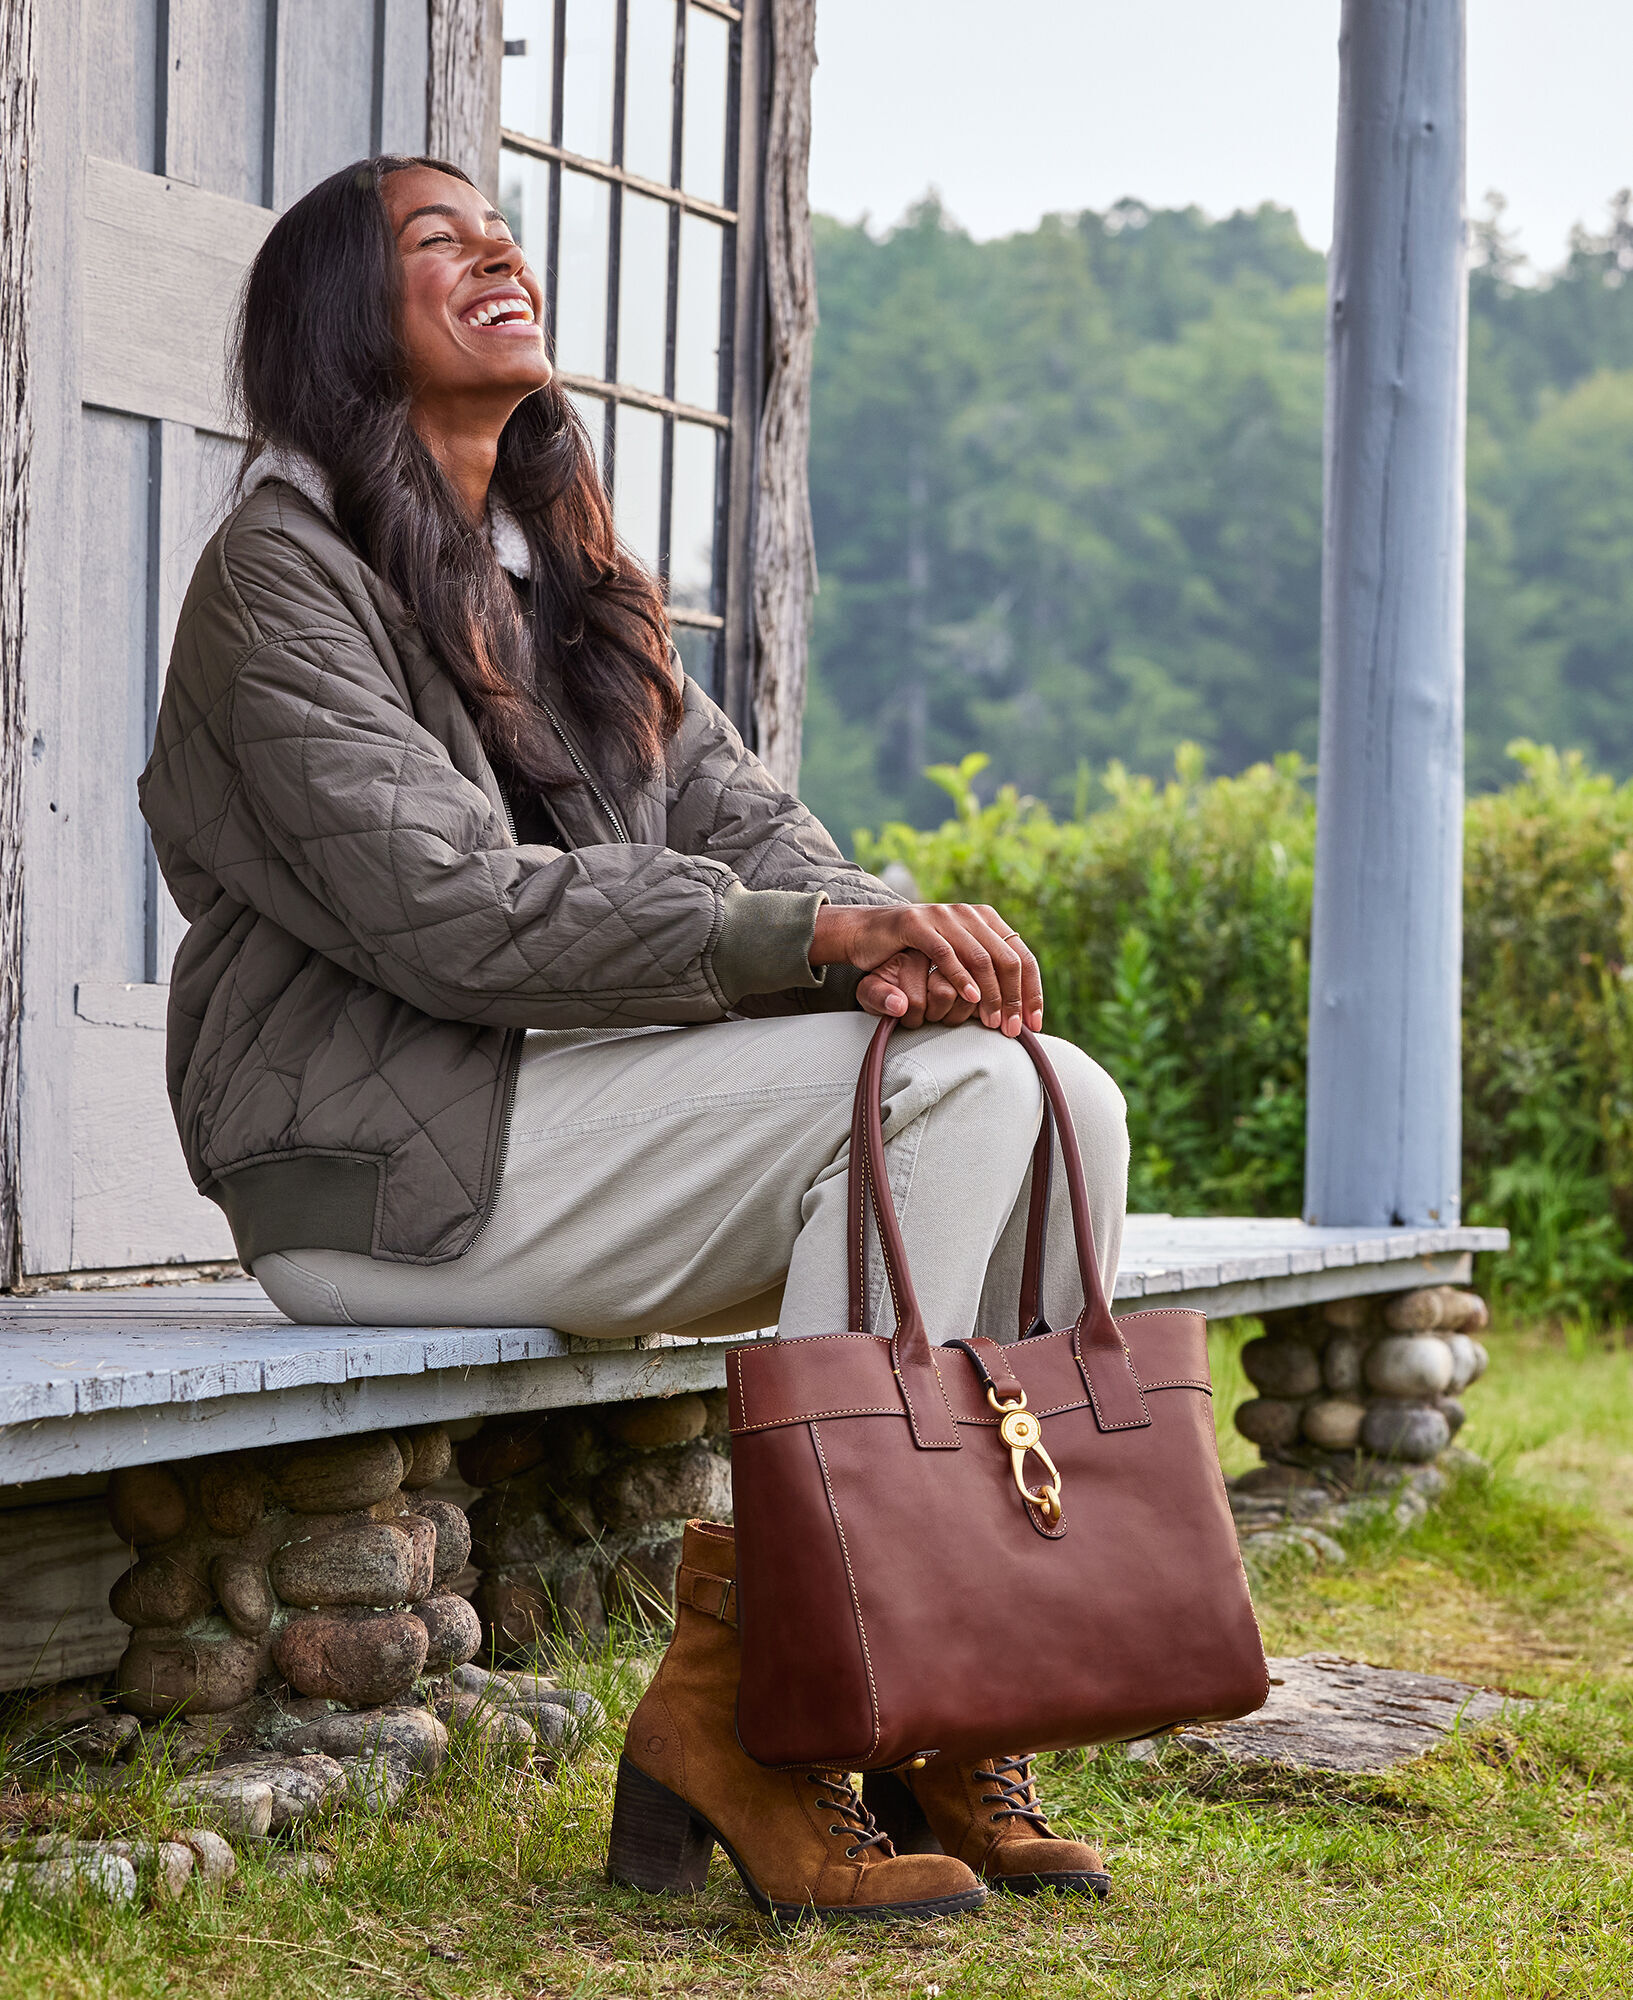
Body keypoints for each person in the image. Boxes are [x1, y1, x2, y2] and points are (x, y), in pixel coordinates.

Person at [140, 156, 1130, 1922]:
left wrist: (886, 945)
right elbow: (442, 910)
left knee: (1055, 1094)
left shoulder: (556, 582)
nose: (493, 249)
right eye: (431, 240)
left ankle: (937, 1696)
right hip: (375, 1177)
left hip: (549, 1129)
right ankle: (769, 1708)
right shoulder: (276, 585)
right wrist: (821, 946)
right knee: (960, 1099)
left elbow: (760, 838)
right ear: (335, 322)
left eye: (498, 226)